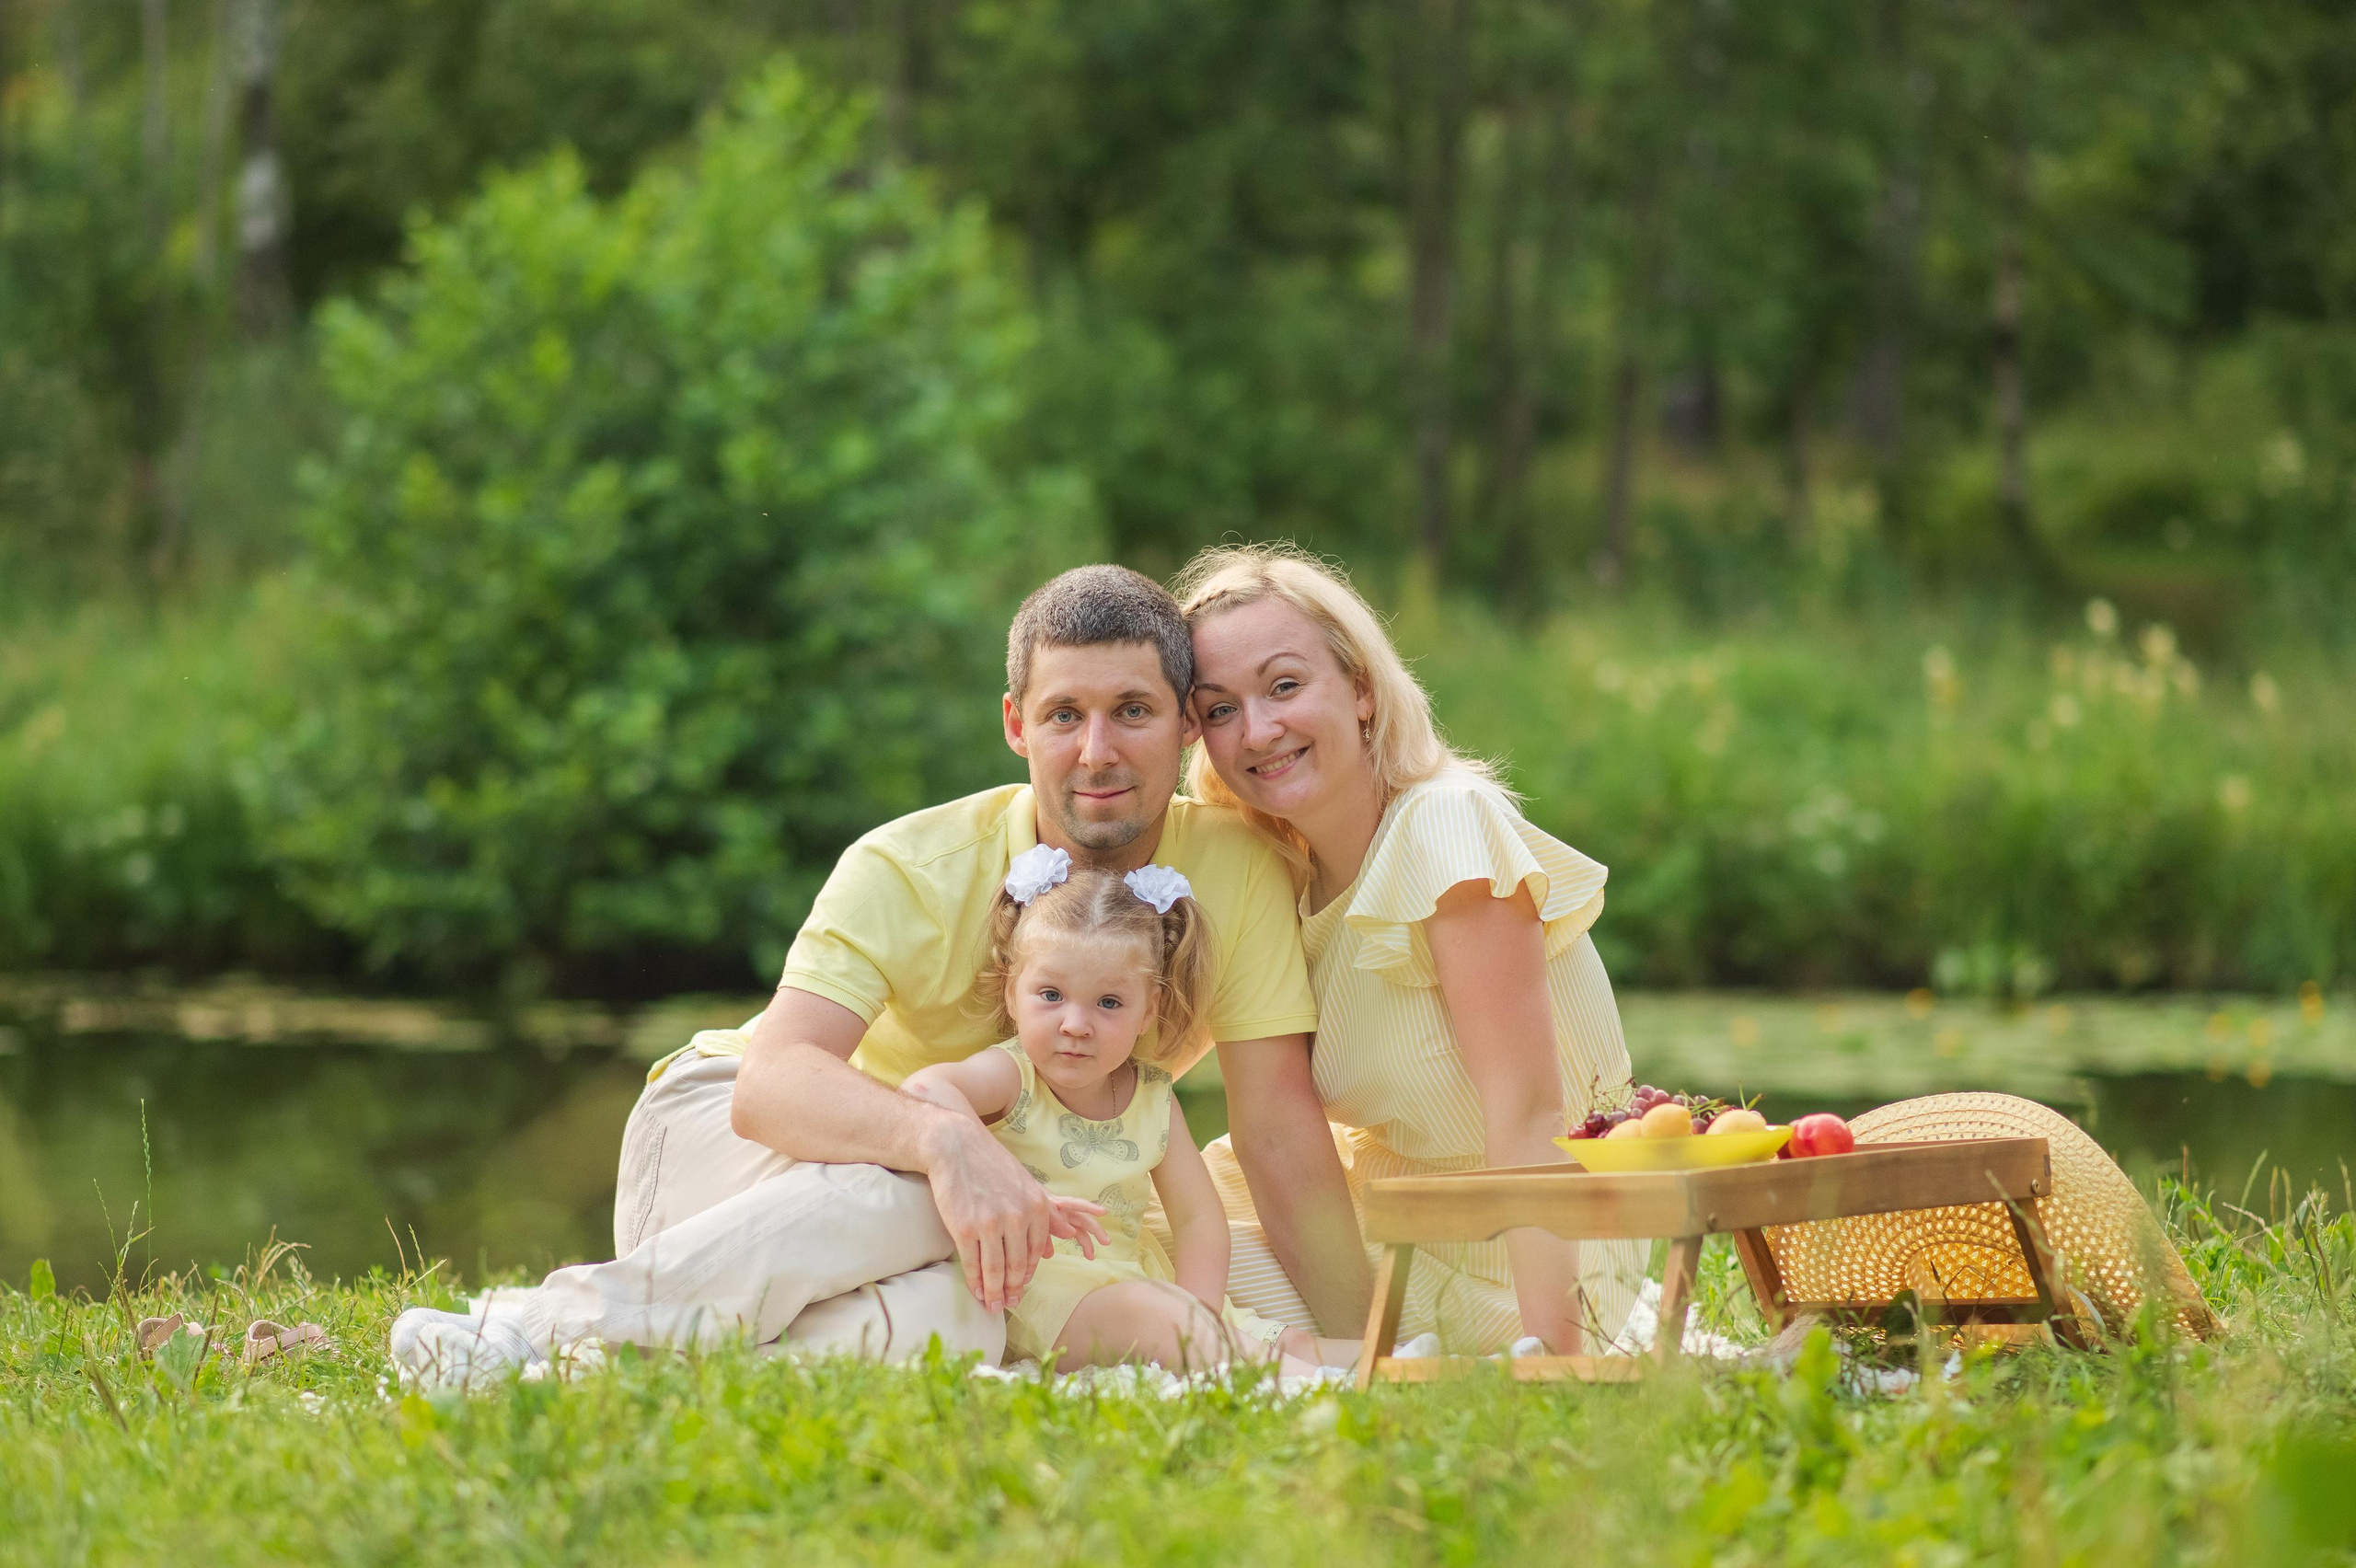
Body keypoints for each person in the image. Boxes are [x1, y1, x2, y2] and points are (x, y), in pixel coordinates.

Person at [390, 565, 1364, 1386]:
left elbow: (1278, 1132)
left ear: (1186, 725)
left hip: (944, 1221)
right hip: (732, 1133)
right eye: (1064, 714)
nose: (1096, 751)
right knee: (922, 1194)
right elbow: (773, 1086)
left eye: (1133, 712)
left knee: (975, 1317)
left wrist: (1370, 1342)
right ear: (1016, 724)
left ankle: (590, 1365)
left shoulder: (1233, 869)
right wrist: (945, 1141)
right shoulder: (907, 864)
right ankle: (537, 1324)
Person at [1177, 543, 1648, 1355]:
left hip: (1506, 1250)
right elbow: (1151, 1067)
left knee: (1138, 1280)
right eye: (1219, 710)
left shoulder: (1444, 827)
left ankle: (1332, 1357)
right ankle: (1319, 1353)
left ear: (1362, 689)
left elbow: (1528, 1113)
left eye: (1285, 686)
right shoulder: (1278, 878)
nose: (1257, 730)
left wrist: (1557, 1355)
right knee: (1109, 1208)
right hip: (1380, 1210)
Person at [902, 851, 1353, 1376]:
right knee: (1155, 1316)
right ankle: (1311, 1387)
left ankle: (1419, 1368)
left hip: (1142, 1289)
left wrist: (1200, 1318)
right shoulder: (1011, 1076)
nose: (1075, 1024)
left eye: (1109, 1003)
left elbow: (1199, 1220)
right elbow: (924, 1088)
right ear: (1012, 993)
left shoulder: (1153, 1097)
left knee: (1287, 1340)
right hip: (1041, 1296)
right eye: (1051, 995)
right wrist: (1000, 1177)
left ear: (1148, 1012)